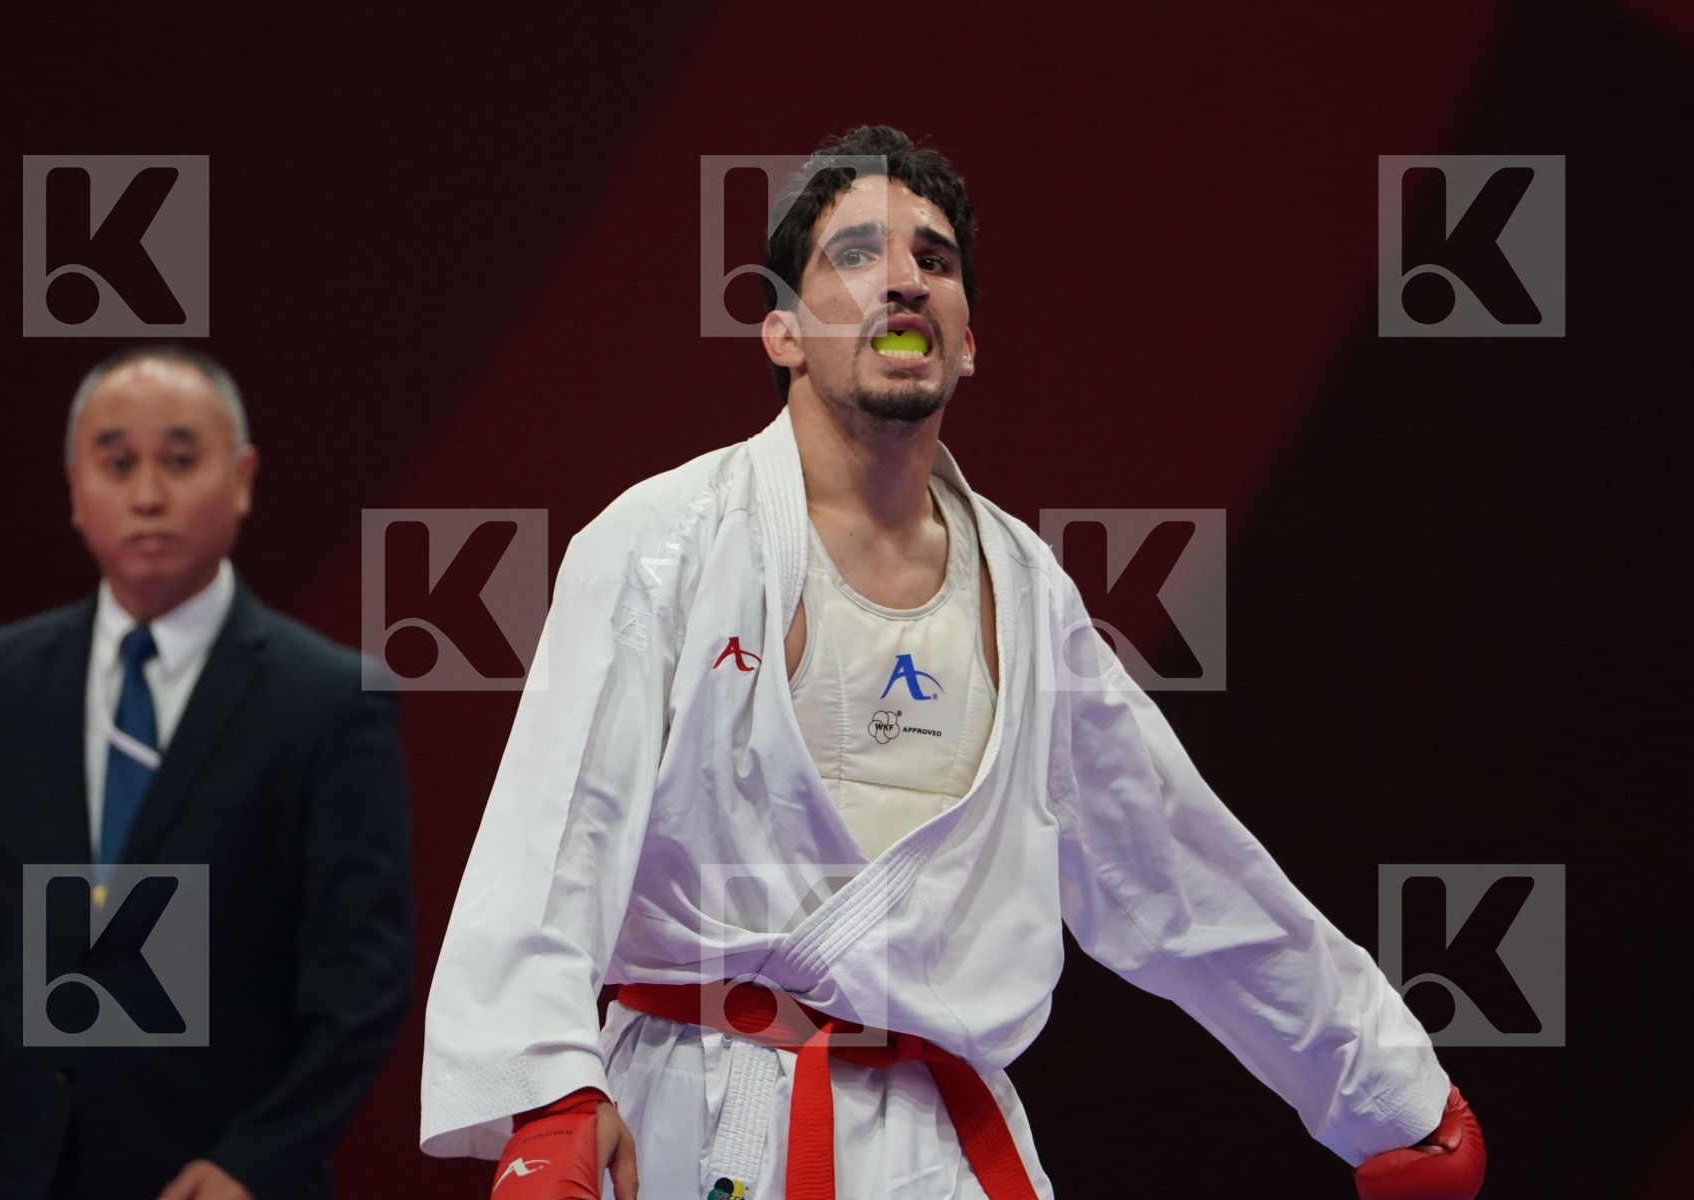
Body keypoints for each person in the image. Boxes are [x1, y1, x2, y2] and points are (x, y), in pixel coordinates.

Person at [420, 126, 1486, 1199]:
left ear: (969, 341)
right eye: (855, 255)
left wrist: (1383, 1085)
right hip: (704, 1111)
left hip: (940, 1142)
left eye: (934, 261)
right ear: (781, 332)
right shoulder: (665, 540)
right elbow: (559, 825)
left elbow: (1173, 865)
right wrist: (552, 1095)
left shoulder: (1028, 595)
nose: (903, 283)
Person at [0, 346, 414, 1200]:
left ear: (241, 477)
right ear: (74, 486)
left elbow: (363, 984)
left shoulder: (326, 702)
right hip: (10, 1170)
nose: (146, 494)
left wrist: (256, 1160)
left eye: (179, 460)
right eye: (117, 462)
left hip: (215, 1171)